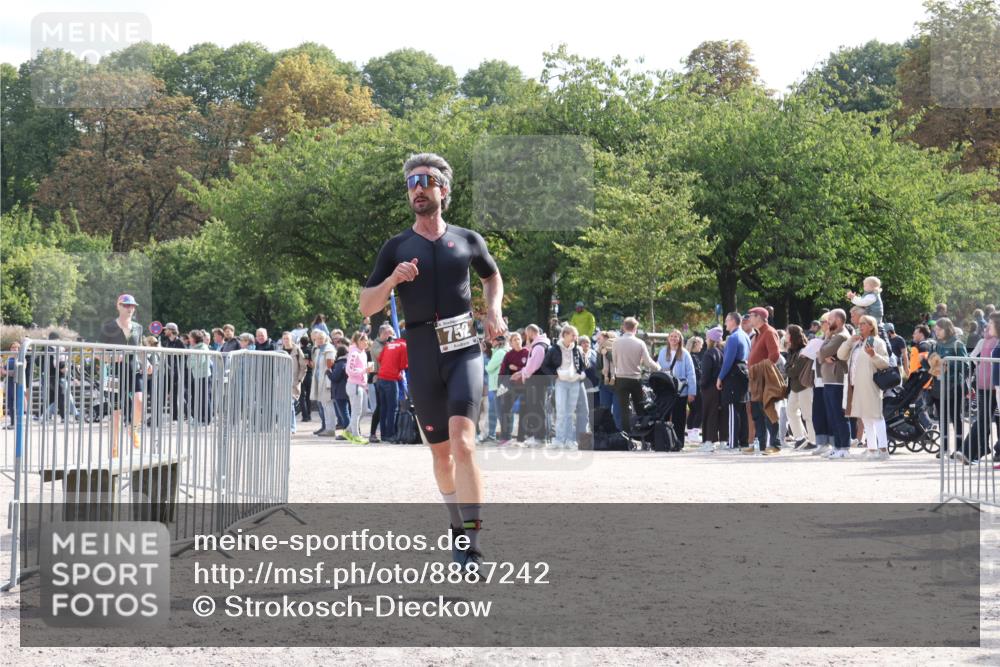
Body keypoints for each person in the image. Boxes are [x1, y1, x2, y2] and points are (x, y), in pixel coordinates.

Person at [359, 152, 505, 570]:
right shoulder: (397, 247)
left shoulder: (468, 239)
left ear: (443, 189)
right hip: (421, 351)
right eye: (410, 183)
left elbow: (491, 275)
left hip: (463, 347)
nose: (417, 189)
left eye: (425, 181)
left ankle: (472, 544)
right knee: (440, 454)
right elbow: (367, 306)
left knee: (463, 443)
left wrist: (492, 309)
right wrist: (391, 281)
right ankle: (456, 526)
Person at [838, 316, 892, 460]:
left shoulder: (878, 342)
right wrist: (849, 341)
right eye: (859, 323)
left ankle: (883, 450)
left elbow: (886, 363)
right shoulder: (856, 343)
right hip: (855, 384)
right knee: (865, 417)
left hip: (870, 384)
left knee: (876, 416)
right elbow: (840, 355)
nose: (860, 326)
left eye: (863, 324)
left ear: (871, 326)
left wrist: (874, 355)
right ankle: (872, 450)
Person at [99, 294, 144, 456]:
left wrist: (147, 363)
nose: (130, 308)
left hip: (134, 369)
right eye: (126, 305)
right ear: (118, 306)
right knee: (116, 413)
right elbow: (98, 352)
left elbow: (140, 348)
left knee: (139, 400)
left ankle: (134, 429)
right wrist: (110, 357)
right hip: (114, 373)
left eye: (132, 306)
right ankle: (114, 446)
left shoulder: (138, 327)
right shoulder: (109, 327)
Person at [612, 317, 661, 434]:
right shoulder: (640, 343)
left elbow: (614, 361)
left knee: (624, 409)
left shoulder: (616, 342)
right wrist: (659, 368)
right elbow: (648, 362)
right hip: (635, 378)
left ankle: (626, 434)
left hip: (621, 378)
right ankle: (641, 433)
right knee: (639, 407)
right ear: (636, 328)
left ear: (624, 327)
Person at [930, 317, 968, 461]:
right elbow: (930, 362)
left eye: (939, 330)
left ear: (947, 328)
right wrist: (930, 362)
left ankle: (959, 448)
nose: (937, 332)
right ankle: (944, 447)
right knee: (941, 418)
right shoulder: (935, 344)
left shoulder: (958, 344)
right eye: (936, 330)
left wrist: (948, 364)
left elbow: (965, 366)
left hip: (954, 386)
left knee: (955, 417)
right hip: (938, 385)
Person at [745, 307, 782, 454]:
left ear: (759, 317)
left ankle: (775, 444)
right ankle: (761, 445)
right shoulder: (759, 333)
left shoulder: (769, 332)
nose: (749, 319)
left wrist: (758, 369)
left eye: (751, 316)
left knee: (768, 411)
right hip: (755, 378)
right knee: (757, 413)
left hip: (764, 377)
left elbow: (775, 355)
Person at [544, 324, 587, 449]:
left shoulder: (577, 349)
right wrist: (555, 375)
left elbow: (583, 365)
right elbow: (545, 365)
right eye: (573, 335)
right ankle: (559, 439)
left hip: (575, 383)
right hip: (561, 383)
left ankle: (569, 440)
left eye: (576, 335)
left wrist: (580, 374)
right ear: (565, 335)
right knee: (561, 411)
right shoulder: (554, 349)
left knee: (570, 413)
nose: (575, 337)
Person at [966, 313, 1000, 463]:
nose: (987, 326)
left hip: (995, 387)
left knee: (995, 420)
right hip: (985, 386)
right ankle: (971, 451)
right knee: (982, 418)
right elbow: (972, 359)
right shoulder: (984, 341)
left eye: (990, 323)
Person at [819, 309, 852, 458]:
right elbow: (821, 354)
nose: (827, 323)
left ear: (838, 320)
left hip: (837, 380)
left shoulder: (840, 336)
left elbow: (822, 351)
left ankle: (844, 447)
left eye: (830, 320)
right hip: (829, 379)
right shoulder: (834, 335)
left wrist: (826, 339)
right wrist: (823, 355)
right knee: (832, 415)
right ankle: (837, 446)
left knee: (839, 415)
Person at [656, 330, 698, 443]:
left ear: (680, 339)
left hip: (681, 390)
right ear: (668, 338)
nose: (674, 339)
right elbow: (658, 369)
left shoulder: (685, 354)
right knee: (664, 415)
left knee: (679, 417)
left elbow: (691, 373)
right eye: (672, 336)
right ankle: (664, 440)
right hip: (666, 389)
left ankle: (679, 441)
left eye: (676, 337)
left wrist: (692, 392)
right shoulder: (663, 352)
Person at [513, 324, 552, 446]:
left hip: (537, 382)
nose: (525, 337)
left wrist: (522, 373)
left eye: (526, 334)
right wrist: (521, 373)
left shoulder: (539, 347)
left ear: (530, 333)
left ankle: (540, 438)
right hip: (538, 381)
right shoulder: (540, 345)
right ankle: (539, 437)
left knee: (537, 409)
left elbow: (532, 367)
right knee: (537, 408)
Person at [717, 313, 750, 449]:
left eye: (727, 321)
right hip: (744, 372)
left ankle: (733, 442)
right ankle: (743, 441)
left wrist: (720, 377)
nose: (725, 324)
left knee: (732, 408)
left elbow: (728, 360)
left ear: (733, 321)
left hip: (733, 374)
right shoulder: (746, 336)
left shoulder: (733, 337)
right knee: (741, 409)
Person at [784, 324, 815, 449]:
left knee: (808, 414)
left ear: (793, 335)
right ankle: (800, 437)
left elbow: (794, 371)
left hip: (804, 385)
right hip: (795, 387)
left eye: (787, 333)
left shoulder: (804, 350)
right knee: (791, 411)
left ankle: (813, 441)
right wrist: (790, 368)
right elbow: (788, 369)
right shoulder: (792, 350)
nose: (786, 336)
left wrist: (790, 368)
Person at [376, 329, 408, 443]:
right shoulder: (404, 346)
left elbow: (379, 359)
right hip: (391, 380)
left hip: (380, 378)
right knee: (392, 409)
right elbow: (404, 365)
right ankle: (390, 435)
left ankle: (383, 435)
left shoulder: (389, 344)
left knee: (384, 408)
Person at [698, 327, 727, 451]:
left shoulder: (709, 353)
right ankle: (723, 441)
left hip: (710, 388)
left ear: (711, 339)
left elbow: (705, 375)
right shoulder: (723, 351)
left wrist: (702, 385)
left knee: (709, 414)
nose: (705, 339)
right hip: (722, 387)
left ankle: (709, 442)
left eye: (707, 337)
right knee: (721, 415)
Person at [497, 331, 528, 446]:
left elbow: (530, 368)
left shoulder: (527, 352)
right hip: (511, 386)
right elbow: (502, 371)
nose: (517, 341)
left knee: (524, 411)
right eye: (514, 339)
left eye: (519, 339)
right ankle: (506, 437)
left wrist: (518, 368)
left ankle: (521, 438)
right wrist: (500, 387)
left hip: (525, 386)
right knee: (506, 410)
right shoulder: (508, 355)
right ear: (511, 342)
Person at [368, 324, 394, 443]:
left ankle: (388, 432)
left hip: (390, 377)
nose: (392, 336)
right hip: (379, 379)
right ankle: (373, 433)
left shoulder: (387, 344)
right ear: (383, 333)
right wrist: (391, 345)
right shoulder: (376, 344)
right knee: (380, 407)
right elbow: (383, 357)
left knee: (389, 407)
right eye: (390, 333)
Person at [480, 335, 508, 443]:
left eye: (494, 340)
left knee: (500, 412)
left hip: (498, 386)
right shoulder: (497, 352)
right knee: (493, 412)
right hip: (494, 386)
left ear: (498, 342)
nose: (492, 342)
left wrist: (487, 367)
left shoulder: (500, 352)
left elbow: (490, 367)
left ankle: (505, 436)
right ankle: (492, 435)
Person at [310, 330, 336, 436]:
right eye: (317, 338)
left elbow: (330, 366)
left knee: (328, 405)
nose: (319, 340)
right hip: (319, 380)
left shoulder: (329, 350)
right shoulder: (318, 350)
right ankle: (327, 428)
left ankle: (330, 429)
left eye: (321, 338)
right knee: (324, 405)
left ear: (325, 338)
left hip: (326, 381)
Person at [281, 332, 308, 434]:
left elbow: (303, 367)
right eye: (284, 338)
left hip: (294, 381)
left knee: (290, 404)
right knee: (284, 405)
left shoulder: (297, 350)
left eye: (287, 338)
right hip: (282, 382)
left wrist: (300, 379)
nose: (286, 340)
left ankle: (292, 427)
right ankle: (286, 426)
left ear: (291, 339)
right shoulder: (280, 350)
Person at [186, 329, 213, 425]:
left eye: (190, 337)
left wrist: (191, 363)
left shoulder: (203, 348)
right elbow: (189, 363)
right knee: (197, 398)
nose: (188, 339)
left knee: (204, 398)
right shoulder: (194, 348)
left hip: (204, 376)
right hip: (197, 376)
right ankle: (198, 418)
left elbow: (197, 362)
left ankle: (206, 419)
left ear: (194, 338)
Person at [328, 345, 350, 436]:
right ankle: (350, 430)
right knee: (347, 412)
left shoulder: (340, 363)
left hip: (340, 392)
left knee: (344, 413)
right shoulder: (347, 362)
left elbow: (335, 377)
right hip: (346, 390)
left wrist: (328, 373)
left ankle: (347, 432)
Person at [3, 341, 20, 429]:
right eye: (12, 347)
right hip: (9, 383)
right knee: (10, 404)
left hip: (17, 384)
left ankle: (17, 423)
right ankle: (12, 423)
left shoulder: (20, 358)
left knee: (16, 404)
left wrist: (6, 372)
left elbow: (17, 372)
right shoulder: (8, 359)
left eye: (15, 347)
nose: (14, 349)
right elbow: (3, 372)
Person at [299, 334, 314, 423]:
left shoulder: (300, 351)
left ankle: (305, 416)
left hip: (302, 374)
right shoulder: (311, 350)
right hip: (309, 374)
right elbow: (312, 364)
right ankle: (309, 414)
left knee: (302, 397)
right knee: (308, 396)